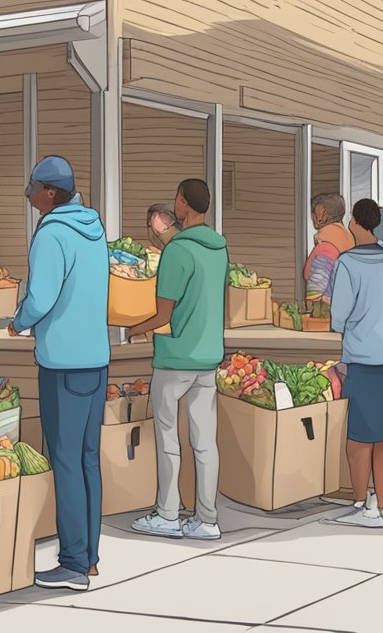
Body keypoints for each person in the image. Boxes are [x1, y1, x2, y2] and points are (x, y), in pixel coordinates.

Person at [9, 156, 110, 591]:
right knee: (88, 460)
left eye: (33, 188)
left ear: (50, 192)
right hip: (95, 361)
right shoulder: (94, 228)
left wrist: (18, 321)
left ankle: (71, 564)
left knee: (65, 461)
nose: (29, 196)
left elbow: (42, 296)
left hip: (62, 364)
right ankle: (89, 557)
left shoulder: (52, 234)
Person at [128, 179, 228, 541]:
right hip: (208, 356)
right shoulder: (218, 248)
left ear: (182, 204)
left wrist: (130, 330)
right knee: (205, 442)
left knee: (168, 436)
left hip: (175, 357)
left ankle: (168, 514)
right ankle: (207, 519)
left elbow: (161, 314)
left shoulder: (177, 252)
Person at [326, 199, 383, 529]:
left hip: (364, 356)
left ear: (355, 222)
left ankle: (363, 506)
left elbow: (339, 317)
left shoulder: (349, 263)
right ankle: (382, 504)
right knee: (380, 434)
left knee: (359, 438)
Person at [305, 193, 354, 305]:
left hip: (327, 313)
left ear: (321, 216)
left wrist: (312, 312)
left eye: (314, 213)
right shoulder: (347, 240)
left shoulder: (326, 247)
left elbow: (316, 292)